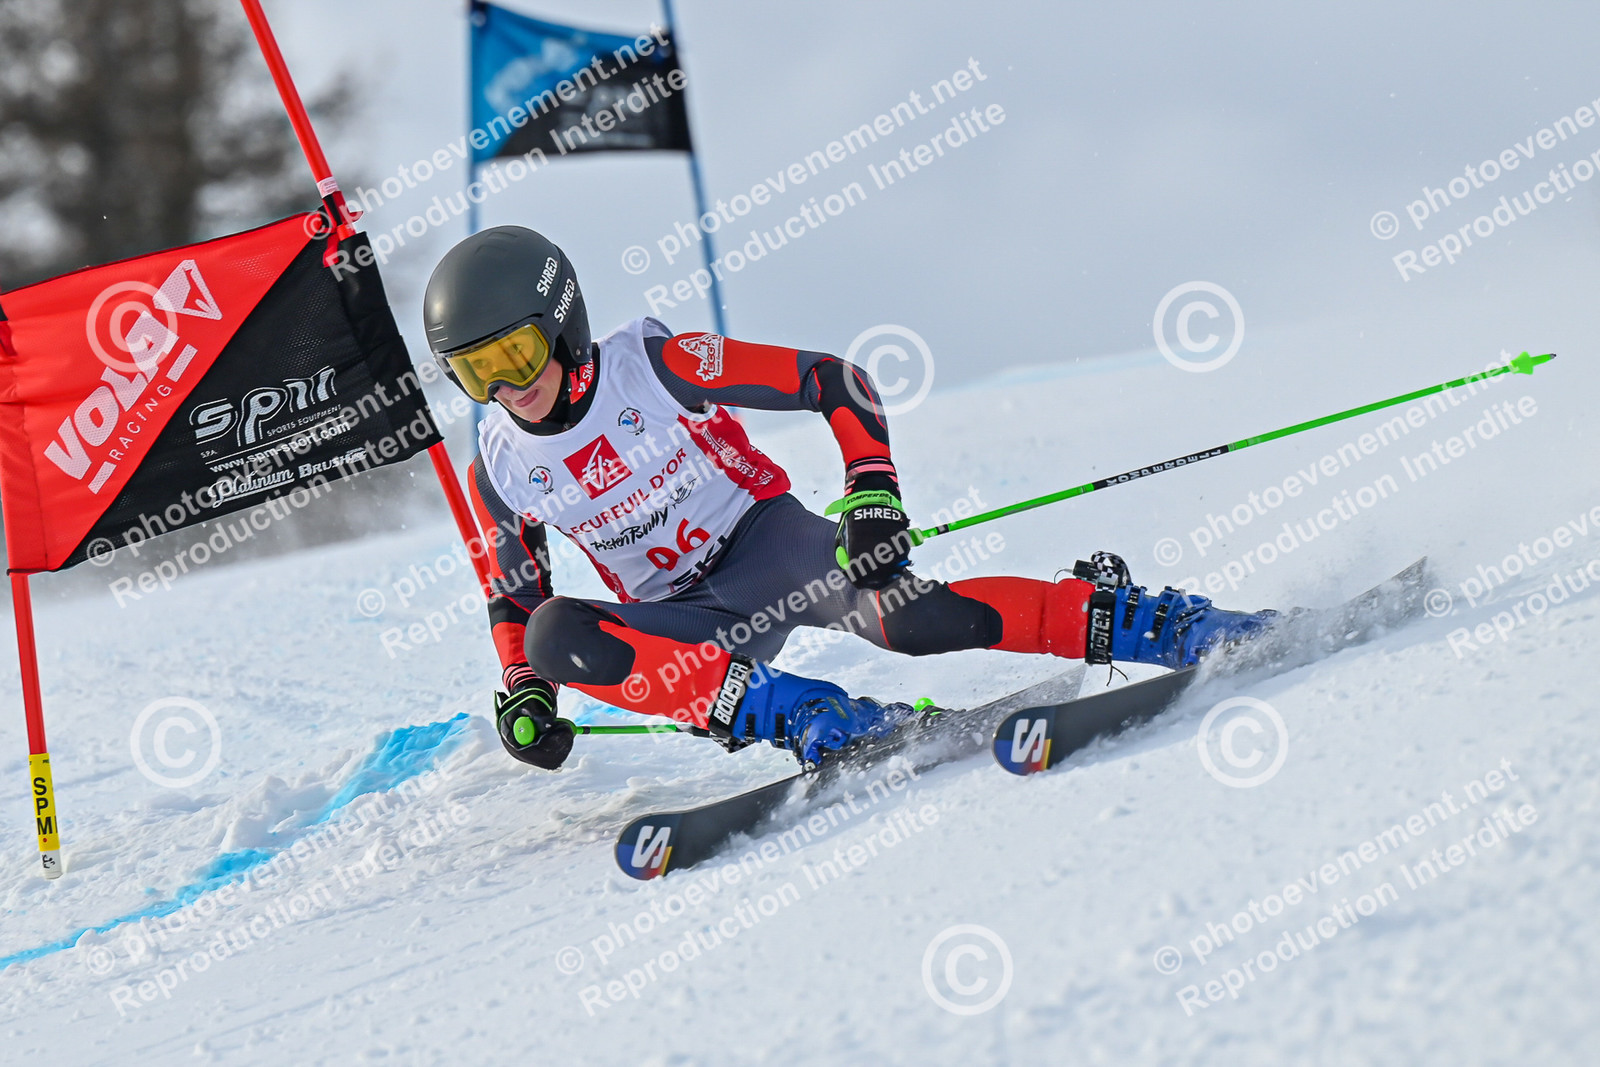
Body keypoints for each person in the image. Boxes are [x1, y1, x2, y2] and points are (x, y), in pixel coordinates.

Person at [423, 226, 1276, 770]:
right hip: (686, 621)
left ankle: (1140, 619)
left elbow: (835, 380)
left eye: (516, 355)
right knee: (554, 634)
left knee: (915, 621)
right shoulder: (500, 463)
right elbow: (514, 594)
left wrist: (872, 492)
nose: (507, 388)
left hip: (769, 546)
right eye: (475, 372)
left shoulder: (655, 365)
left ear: (562, 323)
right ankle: (818, 716)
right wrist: (525, 686)